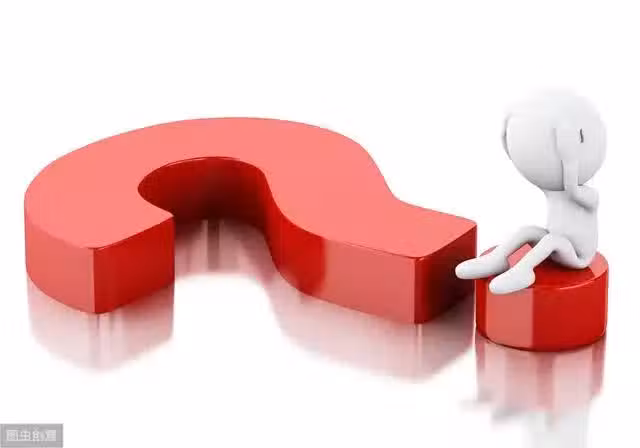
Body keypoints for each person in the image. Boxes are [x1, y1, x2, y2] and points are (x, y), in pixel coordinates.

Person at [456, 91, 606, 294]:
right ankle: (496, 259)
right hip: (556, 246)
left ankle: (524, 270)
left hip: (578, 257)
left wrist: (569, 154)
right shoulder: (553, 191)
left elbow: (572, 188)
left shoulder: (590, 196)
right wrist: (509, 143)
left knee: (551, 240)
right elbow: (539, 175)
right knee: (528, 231)